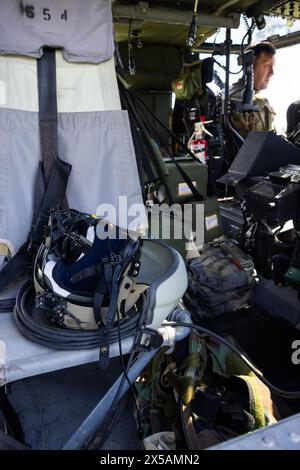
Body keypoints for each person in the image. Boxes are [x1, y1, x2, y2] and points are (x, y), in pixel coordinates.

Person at [229, 41, 276, 138]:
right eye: (266, 65)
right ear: (249, 67)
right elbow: (269, 149)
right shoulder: (256, 104)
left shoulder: (227, 93)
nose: (272, 72)